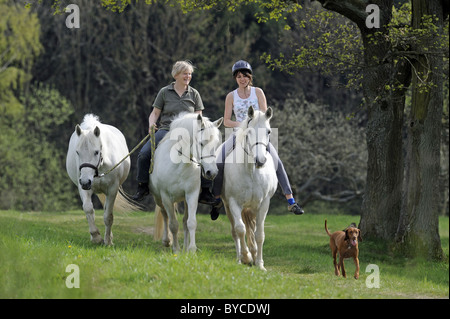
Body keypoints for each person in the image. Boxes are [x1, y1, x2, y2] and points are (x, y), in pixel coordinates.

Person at [209, 60, 304, 220]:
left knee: (277, 161)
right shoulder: (231, 96)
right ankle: (217, 199)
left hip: (259, 135)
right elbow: (226, 121)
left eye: (245, 76)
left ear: (250, 77)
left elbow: (264, 116)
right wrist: (244, 125)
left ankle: (291, 200)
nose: (242, 79)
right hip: (238, 133)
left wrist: (254, 126)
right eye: (239, 76)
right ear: (235, 78)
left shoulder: (258, 92)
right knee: (219, 161)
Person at [132, 60, 215, 204]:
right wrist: (152, 124)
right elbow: (155, 113)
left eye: (189, 74)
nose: (188, 76)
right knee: (144, 154)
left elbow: (199, 117)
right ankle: (142, 187)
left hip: (189, 133)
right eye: (185, 73)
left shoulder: (194, 93)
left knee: (205, 154)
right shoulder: (164, 92)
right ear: (176, 75)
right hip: (166, 130)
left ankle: (206, 192)